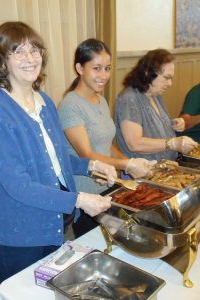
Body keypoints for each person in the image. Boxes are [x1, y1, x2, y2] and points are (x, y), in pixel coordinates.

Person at [0, 21, 116, 284]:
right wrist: (78, 199)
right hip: (19, 234)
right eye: (19, 51)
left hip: (53, 225)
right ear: (2, 62)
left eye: (35, 50)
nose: (30, 58)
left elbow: (59, 158)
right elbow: (19, 186)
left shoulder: (45, 102)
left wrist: (91, 166)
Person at [58, 38, 154, 237]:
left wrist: (130, 162)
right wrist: (125, 165)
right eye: (97, 68)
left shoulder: (99, 99)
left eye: (107, 68)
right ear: (79, 68)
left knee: (120, 240)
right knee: (102, 245)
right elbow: (87, 155)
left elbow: (107, 144)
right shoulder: (70, 105)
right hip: (88, 196)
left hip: (108, 186)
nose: (104, 75)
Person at [114, 49, 197, 161]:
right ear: (148, 73)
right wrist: (171, 143)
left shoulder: (154, 94)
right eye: (166, 78)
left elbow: (151, 125)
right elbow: (134, 144)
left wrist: (172, 123)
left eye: (171, 78)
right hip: (142, 172)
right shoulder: (129, 98)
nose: (170, 84)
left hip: (165, 167)